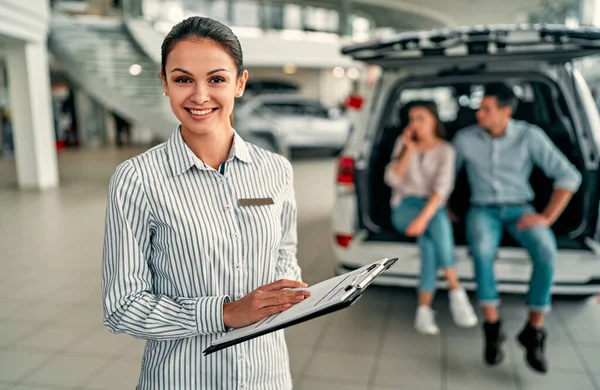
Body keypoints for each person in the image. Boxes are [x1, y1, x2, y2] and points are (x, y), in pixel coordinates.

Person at [101, 16, 310, 390]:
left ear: (240, 83)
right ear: (164, 84)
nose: (200, 96)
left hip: (267, 374)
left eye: (216, 79)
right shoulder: (137, 179)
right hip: (184, 378)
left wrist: (293, 295)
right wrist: (225, 313)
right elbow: (123, 306)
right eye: (183, 80)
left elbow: (284, 256)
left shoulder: (276, 170)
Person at [452, 83, 582, 374]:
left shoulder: (530, 136)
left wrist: (547, 217)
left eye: (486, 109)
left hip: (521, 209)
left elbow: (568, 176)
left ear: (505, 112)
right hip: (482, 210)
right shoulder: (464, 139)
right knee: (482, 251)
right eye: (479, 108)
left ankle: (534, 332)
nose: (479, 114)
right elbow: (444, 176)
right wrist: (444, 206)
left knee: (546, 250)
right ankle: (492, 327)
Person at [384, 101, 478, 335]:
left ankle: (423, 310)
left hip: (432, 207)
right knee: (438, 222)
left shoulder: (446, 150)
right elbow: (392, 180)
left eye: (420, 118)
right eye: (412, 119)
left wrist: (422, 220)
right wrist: (408, 150)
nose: (415, 124)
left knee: (428, 244)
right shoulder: (403, 144)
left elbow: (441, 191)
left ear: (434, 120)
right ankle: (456, 290)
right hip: (405, 207)